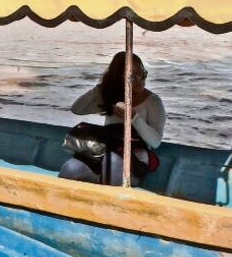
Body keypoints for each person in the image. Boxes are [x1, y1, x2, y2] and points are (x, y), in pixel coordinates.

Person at [59, 52, 165, 186]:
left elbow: (155, 142)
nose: (139, 80)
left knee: (112, 161)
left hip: (134, 159)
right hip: (107, 150)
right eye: (132, 76)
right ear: (118, 78)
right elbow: (77, 109)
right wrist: (101, 87)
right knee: (71, 167)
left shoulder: (153, 102)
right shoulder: (112, 98)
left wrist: (133, 118)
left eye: (142, 73)